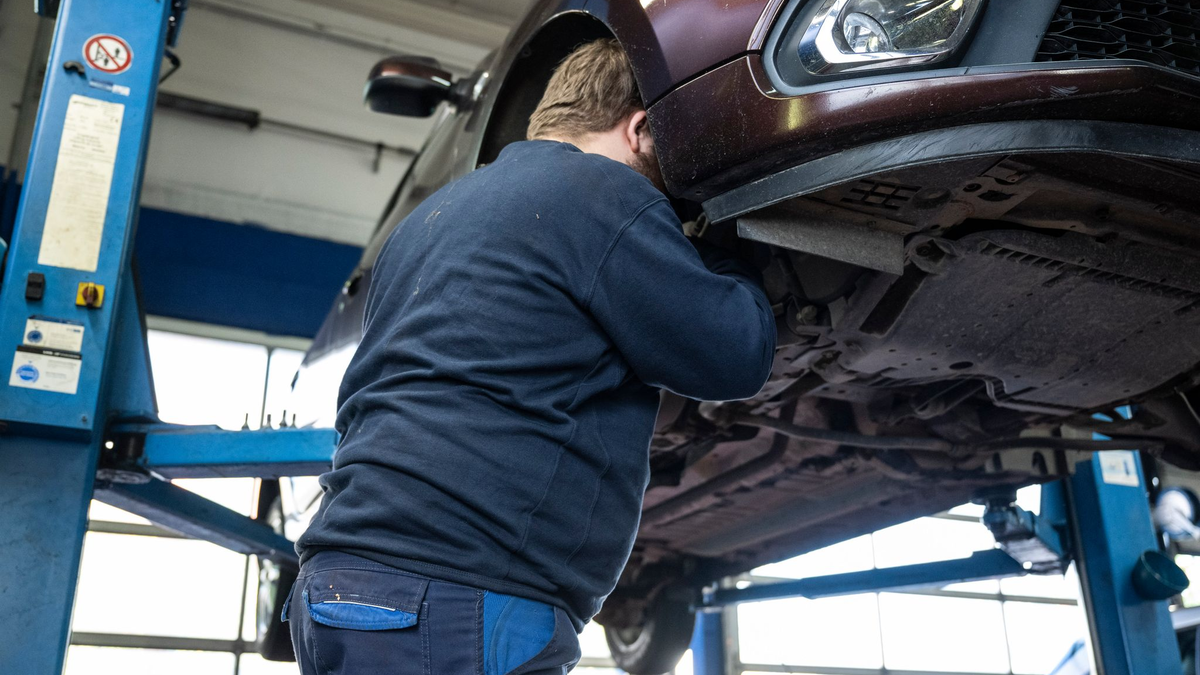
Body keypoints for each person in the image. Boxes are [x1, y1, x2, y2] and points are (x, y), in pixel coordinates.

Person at [286, 38, 777, 675]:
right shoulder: (601, 191)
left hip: (340, 583)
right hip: (457, 591)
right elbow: (733, 355)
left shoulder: (429, 218)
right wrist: (727, 241)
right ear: (640, 130)